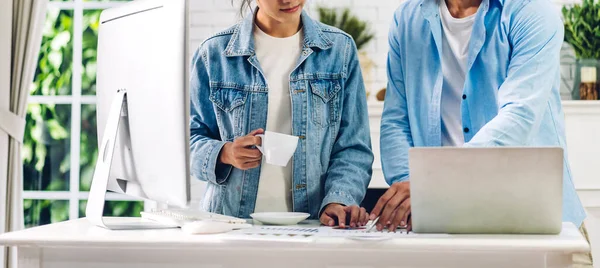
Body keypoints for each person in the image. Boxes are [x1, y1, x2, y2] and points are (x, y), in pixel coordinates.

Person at [372, 0, 592, 266]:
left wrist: (430, 184)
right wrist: (411, 187)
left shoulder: (531, 11)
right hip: (445, 225)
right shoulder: (407, 19)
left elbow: (519, 117)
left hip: (540, 227)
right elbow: (396, 119)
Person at [189, 0, 374, 228]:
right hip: (229, 224)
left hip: (312, 225)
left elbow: (353, 147)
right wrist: (224, 153)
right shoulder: (214, 52)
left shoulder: (339, 49)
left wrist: (337, 201)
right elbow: (188, 141)